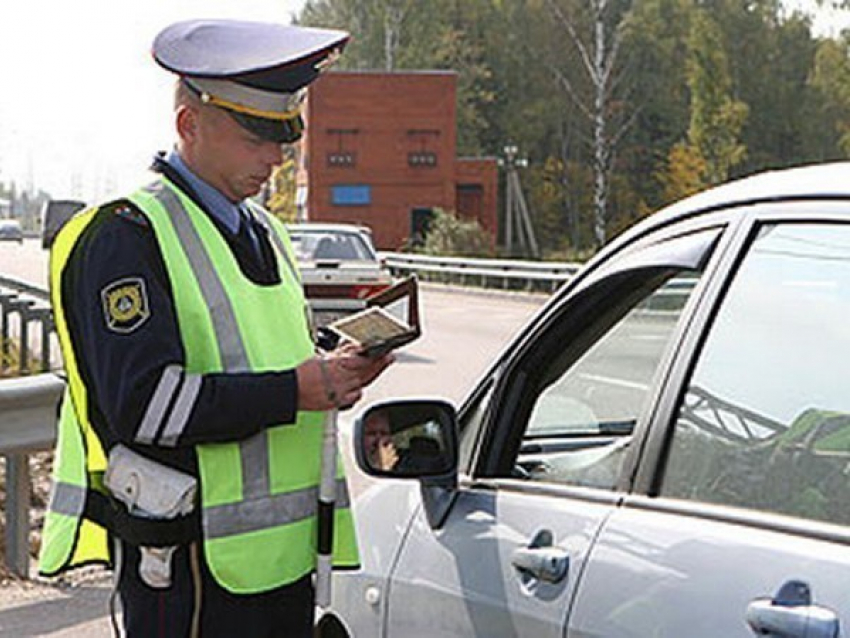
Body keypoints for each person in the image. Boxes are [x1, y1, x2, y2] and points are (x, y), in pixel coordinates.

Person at [37, 18, 393, 638]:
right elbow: (143, 406)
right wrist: (297, 390)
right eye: (256, 136)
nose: (276, 158)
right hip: (189, 575)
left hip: (283, 566)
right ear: (189, 126)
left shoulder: (267, 233)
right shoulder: (128, 237)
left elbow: (263, 353)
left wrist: (336, 364)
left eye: (283, 137)